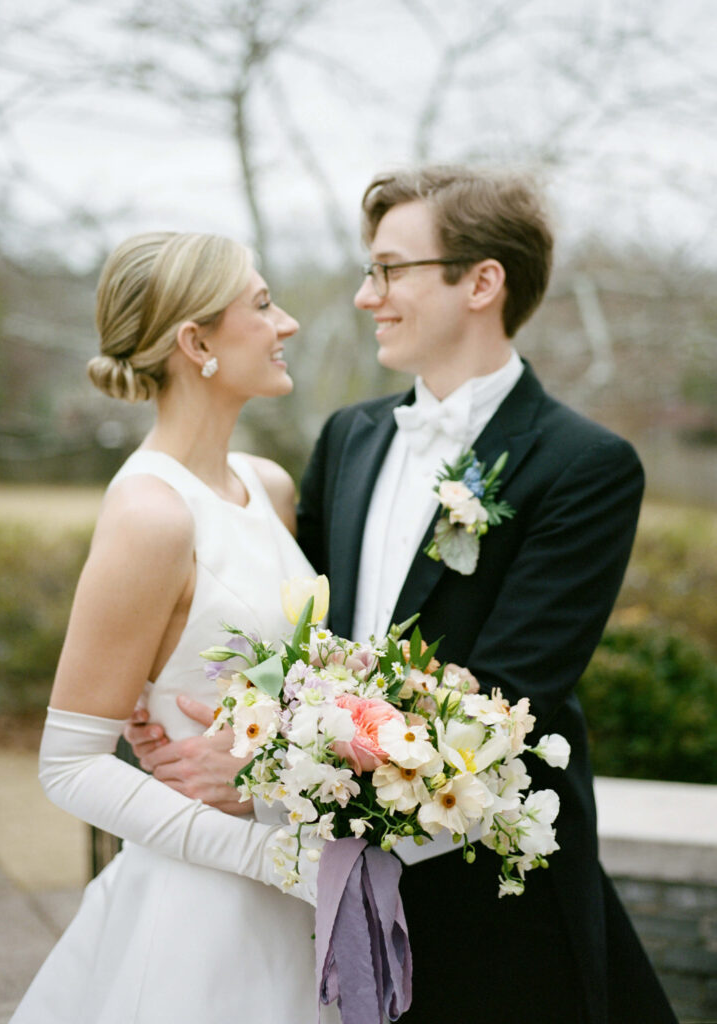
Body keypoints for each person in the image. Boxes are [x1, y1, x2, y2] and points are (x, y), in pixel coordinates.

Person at [129, 168, 678, 1024]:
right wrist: (206, 715)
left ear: (480, 282)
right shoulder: (349, 437)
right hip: (336, 879)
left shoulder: (585, 465)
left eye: (389, 270)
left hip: (493, 889)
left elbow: (505, 696)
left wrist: (270, 773)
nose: (363, 296)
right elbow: (298, 637)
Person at [10, 231, 336, 1024]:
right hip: (206, 907)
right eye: (261, 305)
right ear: (197, 343)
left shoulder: (268, 486)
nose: (285, 323)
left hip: (305, 897)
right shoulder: (150, 514)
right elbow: (70, 764)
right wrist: (270, 855)